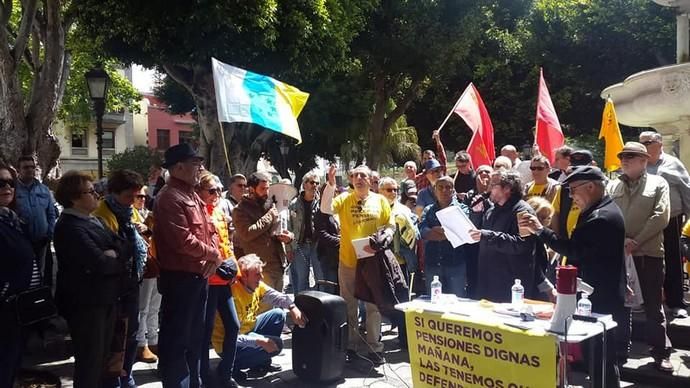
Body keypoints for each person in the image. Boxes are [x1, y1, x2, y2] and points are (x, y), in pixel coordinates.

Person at [519, 165, 627, 387]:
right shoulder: (599, 210)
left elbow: (574, 250)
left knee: (600, 358)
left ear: (590, 187)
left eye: (573, 190)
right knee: (596, 356)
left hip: (599, 295)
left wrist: (541, 231)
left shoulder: (601, 217)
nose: (571, 196)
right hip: (598, 290)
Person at [154, 143, 223, 388]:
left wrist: (213, 258)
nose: (200, 168)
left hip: (198, 277)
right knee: (177, 342)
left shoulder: (192, 195)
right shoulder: (169, 197)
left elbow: (211, 229)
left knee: (196, 339)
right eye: (195, 163)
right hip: (180, 279)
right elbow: (182, 241)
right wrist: (213, 254)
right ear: (179, 167)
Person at [53, 171, 129, 388]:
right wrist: (111, 256)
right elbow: (101, 264)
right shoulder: (69, 226)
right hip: (86, 305)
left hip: (105, 299)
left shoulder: (93, 220)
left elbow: (123, 246)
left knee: (102, 360)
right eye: (90, 191)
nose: (97, 195)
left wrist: (113, 254)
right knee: (89, 362)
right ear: (74, 197)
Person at [607, 141, 673, 372]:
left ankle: (661, 353)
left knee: (654, 307)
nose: (625, 160)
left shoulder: (658, 183)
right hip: (620, 254)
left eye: (631, 156)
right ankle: (619, 350)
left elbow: (661, 216)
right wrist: (622, 240)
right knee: (621, 304)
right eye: (623, 156)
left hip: (648, 254)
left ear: (644, 160)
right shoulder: (612, 185)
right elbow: (606, 215)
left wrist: (636, 241)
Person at [320, 164, 393, 363]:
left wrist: (387, 234)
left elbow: (390, 224)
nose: (359, 178)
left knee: (373, 307)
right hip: (348, 263)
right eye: (355, 175)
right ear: (351, 180)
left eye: (363, 175)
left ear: (370, 180)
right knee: (349, 306)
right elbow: (325, 208)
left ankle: (374, 348)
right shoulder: (344, 198)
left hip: (372, 263)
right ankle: (350, 346)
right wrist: (330, 184)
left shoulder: (380, 200)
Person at [212, 254, 307, 382]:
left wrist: (292, 307)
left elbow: (277, 297)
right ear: (244, 276)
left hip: (247, 329)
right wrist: (259, 342)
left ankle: (261, 363)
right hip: (229, 344)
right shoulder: (234, 296)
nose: (261, 278)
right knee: (277, 345)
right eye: (257, 274)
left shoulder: (255, 285)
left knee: (278, 314)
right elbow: (233, 337)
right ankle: (228, 367)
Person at [92, 169, 147, 388]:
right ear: (113, 192)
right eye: (128, 196)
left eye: (136, 196)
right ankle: (112, 378)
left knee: (131, 332)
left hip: (131, 282)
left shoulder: (128, 211)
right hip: (112, 287)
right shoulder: (101, 215)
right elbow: (110, 250)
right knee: (115, 336)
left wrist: (140, 229)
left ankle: (127, 374)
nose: (133, 201)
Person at [196, 171, 240, 388]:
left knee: (233, 325)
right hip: (208, 280)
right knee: (205, 331)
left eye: (219, 190)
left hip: (224, 279)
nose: (216, 194)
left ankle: (225, 373)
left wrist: (235, 270)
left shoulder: (222, 213)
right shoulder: (199, 213)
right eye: (211, 190)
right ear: (200, 191)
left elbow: (228, 244)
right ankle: (204, 376)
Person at [640, 131, 690, 318]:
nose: (643, 145)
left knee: (673, 261)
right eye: (641, 142)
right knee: (648, 261)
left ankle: (676, 302)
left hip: (672, 220)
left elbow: (686, 190)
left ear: (659, 144)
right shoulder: (639, 163)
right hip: (646, 221)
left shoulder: (673, 164)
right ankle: (647, 301)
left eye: (648, 142)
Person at [0, 162, 41, 388]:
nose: (7, 187)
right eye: (0, 183)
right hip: (5, 307)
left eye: (10, 182)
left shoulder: (12, 219)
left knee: (12, 363)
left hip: (20, 309)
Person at [470, 170, 537, 302]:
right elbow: (478, 235)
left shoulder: (523, 211)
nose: (489, 188)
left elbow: (522, 244)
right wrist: (476, 214)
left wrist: (487, 236)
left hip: (510, 284)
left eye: (493, 184)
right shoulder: (491, 210)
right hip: (488, 281)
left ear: (508, 188)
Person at [233, 171, 293, 292]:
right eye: (262, 189)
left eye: (267, 189)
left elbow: (276, 230)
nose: (266, 192)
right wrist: (269, 217)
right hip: (258, 268)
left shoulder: (270, 205)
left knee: (279, 306)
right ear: (251, 189)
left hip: (277, 264)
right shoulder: (240, 210)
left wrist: (288, 237)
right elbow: (247, 233)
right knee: (265, 307)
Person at [420, 176, 468, 297]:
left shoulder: (462, 209)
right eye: (440, 187)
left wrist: (436, 230)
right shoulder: (428, 210)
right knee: (434, 303)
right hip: (433, 264)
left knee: (458, 302)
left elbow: (461, 232)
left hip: (455, 264)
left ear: (453, 190)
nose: (444, 190)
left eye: (448, 187)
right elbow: (423, 232)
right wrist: (448, 232)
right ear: (435, 190)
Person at [14, 155, 57, 279]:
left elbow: (51, 214)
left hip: (42, 241)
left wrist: (49, 233)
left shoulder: (44, 190)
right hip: (21, 242)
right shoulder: (13, 190)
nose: (30, 170)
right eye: (26, 167)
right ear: (18, 170)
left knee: (42, 273)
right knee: (23, 273)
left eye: (32, 167)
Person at [134, 186, 161, 364]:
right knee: (142, 308)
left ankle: (153, 340)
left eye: (145, 196)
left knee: (154, 307)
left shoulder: (149, 214)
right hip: (144, 268)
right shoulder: (130, 214)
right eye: (139, 196)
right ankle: (141, 343)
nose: (142, 199)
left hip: (157, 265)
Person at [287, 172, 322, 295]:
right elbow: (289, 227)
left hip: (317, 246)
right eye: (312, 182)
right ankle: (302, 309)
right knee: (301, 280)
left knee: (320, 280)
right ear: (304, 184)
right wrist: (289, 248)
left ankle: (319, 306)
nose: (315, 186)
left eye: (317, 183)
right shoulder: (294, 204)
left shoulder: (321, 204)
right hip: (299, 246)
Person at [551, 149, 595, 239]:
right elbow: (555, 213)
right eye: (575, 168)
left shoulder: (599, 188)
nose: (578, 171)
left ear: (593, 165)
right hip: (567, 244)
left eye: (583, 168)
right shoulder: (564, 188)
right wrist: (557, 240)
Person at [314, 183, 340, 294]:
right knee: (331, 286)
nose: (333, 194)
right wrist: (340, 241)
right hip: (327, 255)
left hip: (340, 255)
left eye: (334, 192)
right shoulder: (321, 212)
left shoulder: (337, 210)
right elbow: (322, 234)